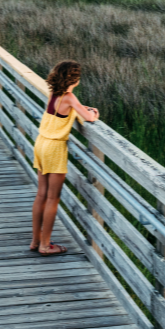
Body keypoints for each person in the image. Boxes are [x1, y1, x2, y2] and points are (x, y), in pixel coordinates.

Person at [30, 60, 99, 256]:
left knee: (41, 195)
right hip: (54, 148)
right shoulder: (69, 97)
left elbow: (69, 110)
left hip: (41, 143)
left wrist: (81, 108)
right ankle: (45, 245)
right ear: (74, 80)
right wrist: (94, 112)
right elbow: (89, 117)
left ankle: (35, 241)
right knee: (53, 198)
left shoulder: (54, 94)